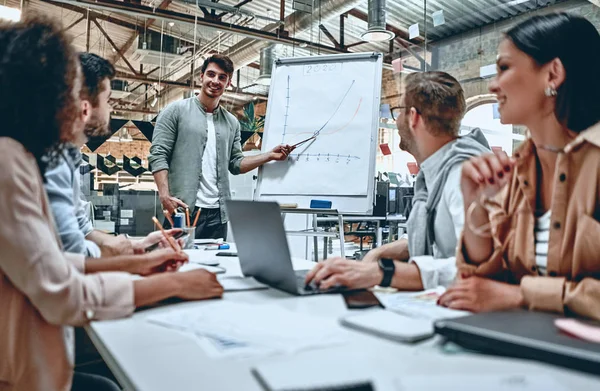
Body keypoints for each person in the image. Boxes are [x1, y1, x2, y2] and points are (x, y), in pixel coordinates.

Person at [0, 16, 223, 391]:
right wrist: (174, 286)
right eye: (71, 94)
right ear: (46, 98)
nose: (80, 106)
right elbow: (62, 294)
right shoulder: (8, 163)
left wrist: (140, 262)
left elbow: (48, 263)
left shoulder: (17, 157)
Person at [438, 13, 600, 321]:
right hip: (526, 349)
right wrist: (476, 202)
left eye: (504, 68)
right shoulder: (518, 171)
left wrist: (521, 295)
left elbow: (505, 294)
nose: (492, 84)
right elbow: (479, 287)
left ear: (553, 74)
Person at [305, 72, 490, 291]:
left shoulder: (464, 176)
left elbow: (476, 270)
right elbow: (431, 235)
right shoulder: (434, 174)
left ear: (413, 117)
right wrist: (378, 253)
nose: (396, 119)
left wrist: (381, 273)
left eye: (398, 111)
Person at [45, 53, 178, 258]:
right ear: (85, 105)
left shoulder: (69, 156)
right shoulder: (50, 159)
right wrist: (138, 260)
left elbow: (83, 229)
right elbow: (71, 249)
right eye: (107, 99)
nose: (111, 108)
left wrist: (138, 245)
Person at [149, 54, 294, 239]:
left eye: (222, 77)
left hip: (218, 215)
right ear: (201, 77)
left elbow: (236, 164)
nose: (215, 81)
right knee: (179, 264)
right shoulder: (175, 111)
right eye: (211, 74)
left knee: (215, 266)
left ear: (228, 83)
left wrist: (269, 156)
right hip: (184, 211)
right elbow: (158, 155)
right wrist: (164, 196)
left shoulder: (232, 122)